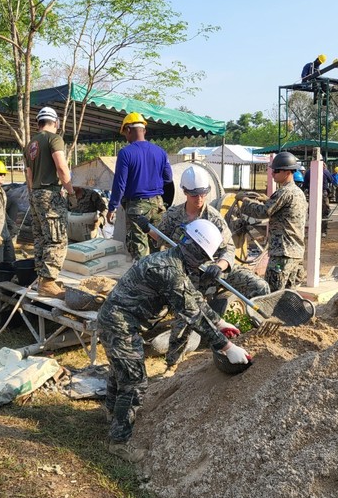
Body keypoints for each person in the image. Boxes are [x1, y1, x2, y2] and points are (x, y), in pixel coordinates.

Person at [97, 219, 248, 463]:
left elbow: (195, 299)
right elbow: (192, 315)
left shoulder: (176, 261)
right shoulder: (170, 271)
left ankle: (112, 411)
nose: (203, 262)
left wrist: (220, 323)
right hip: (119, 324)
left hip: (120, 319)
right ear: (197, 251)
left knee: (120, 371)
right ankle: (119, 442)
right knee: (134, 382)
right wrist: (226, 347)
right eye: (203, 256)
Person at [138, 165, 270, 368]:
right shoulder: (173, 215)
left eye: (203, 194)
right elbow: (160, 238)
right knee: (185, 318)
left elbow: (228, 248)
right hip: (188, 274)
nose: (199, 199)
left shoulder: (214, 217)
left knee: (258, 287)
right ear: (184, 192)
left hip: (215, 269)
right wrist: (147, 228)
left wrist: (220, 265)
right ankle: (173, 364)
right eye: (193, 195)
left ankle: (260, 335)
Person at [236, 152, 308, 293]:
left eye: (276, 170)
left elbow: (263, 212)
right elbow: (282, 212)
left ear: (287, 172)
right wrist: (267, 199)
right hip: (295, 253)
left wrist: (244, 201)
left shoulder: (284, 192)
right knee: (288, 295)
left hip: (282, 254)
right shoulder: (298, 193)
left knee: (271, 295)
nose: (273, 174)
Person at [106, 112, 172, 260]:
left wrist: (112, 208)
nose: (125, 136)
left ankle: (142, 282)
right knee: (159, 248)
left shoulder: (126, 153)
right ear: (144, 130)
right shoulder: (160, 152)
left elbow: (119, 184)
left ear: (128, 130)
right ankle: (157, 280)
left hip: (137, 208)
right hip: (158, 205)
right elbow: (168, 178)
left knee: (139, 252)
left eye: (125, 133)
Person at [26, 106, 75, 298]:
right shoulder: (54, 139)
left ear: (38, 122)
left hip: (35, 193)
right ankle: (47, 282)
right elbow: (62, 168)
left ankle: (42, 278)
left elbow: (29, 174)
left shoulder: (30, 144)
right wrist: (71, 192)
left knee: (41, 237)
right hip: (50, 194)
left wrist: (33, 195)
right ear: (56, 122)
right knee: (57, 238)